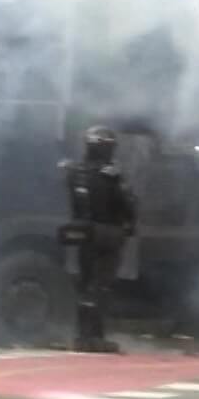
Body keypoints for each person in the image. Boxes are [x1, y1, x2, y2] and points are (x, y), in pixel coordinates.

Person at [59, 124, 138, 354]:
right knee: (101, 287)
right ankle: (96, 337)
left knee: (85, 284)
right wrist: (130, 224)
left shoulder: (75, 172)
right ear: (108, 148)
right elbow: (127, 204)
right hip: (107, 233)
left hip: (84, 232)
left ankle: (82, 336)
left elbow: (74, 203)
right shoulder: (111, 175)